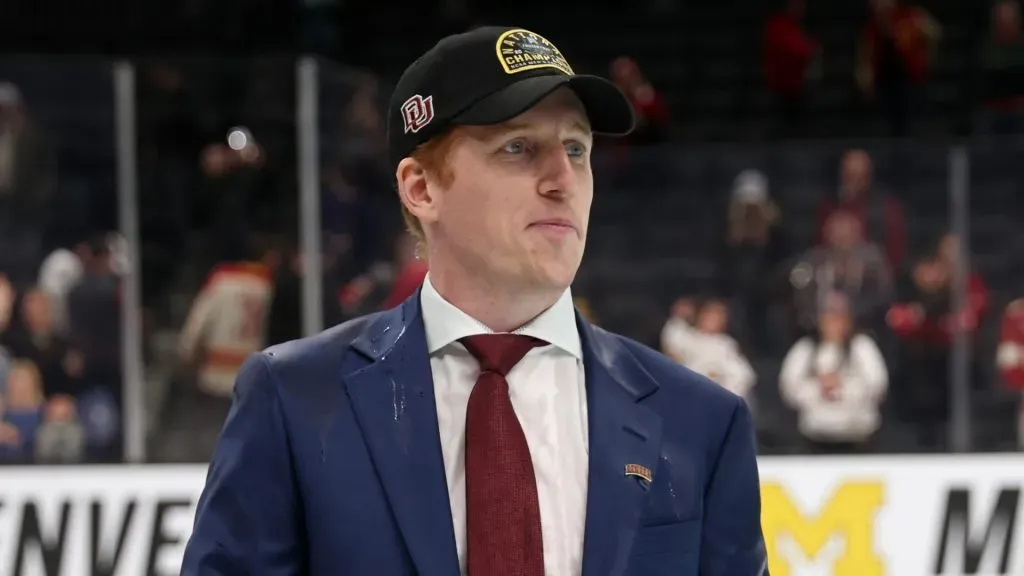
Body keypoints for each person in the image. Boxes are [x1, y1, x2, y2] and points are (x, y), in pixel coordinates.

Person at [182, 26, 767, 576]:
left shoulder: (702, 424)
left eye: (576, 148)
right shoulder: (294, 401)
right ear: (422, 188)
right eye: (518, 147)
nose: (563, 179)